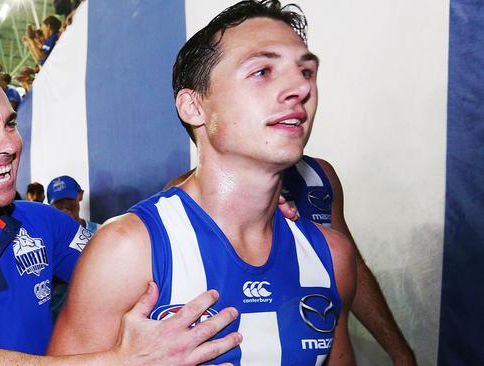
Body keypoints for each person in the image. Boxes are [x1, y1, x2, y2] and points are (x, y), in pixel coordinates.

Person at [0, 56, 241, 366]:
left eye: (9, 124)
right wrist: (121, 361)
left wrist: (229, 200)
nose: (9, 144)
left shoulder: (40, 221)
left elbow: (144, 263)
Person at [49, 1, 356, 364]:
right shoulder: (128, 252)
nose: (299, 88)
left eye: (305, 72)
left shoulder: (331, 256)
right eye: (262, 71)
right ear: (194, 107)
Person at [282, 155, 417, 365]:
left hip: (323, 339)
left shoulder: (319, 174)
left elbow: (351, 266)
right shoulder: (219, 177)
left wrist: (400, 353)